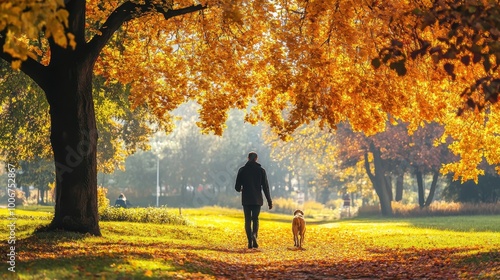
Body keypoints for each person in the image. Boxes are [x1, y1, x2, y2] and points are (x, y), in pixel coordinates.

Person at [235, 152, 273, 249]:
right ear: (256, 158)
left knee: (247, 220)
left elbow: (237, 187)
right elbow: (265, 187)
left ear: (248, 158)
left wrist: (241, 189)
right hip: (257, 200)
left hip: (246, 199)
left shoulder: (242, 170)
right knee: (255, 219)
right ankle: (254, 235)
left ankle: (249, 241)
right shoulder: (261, 171)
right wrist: (269, 201)